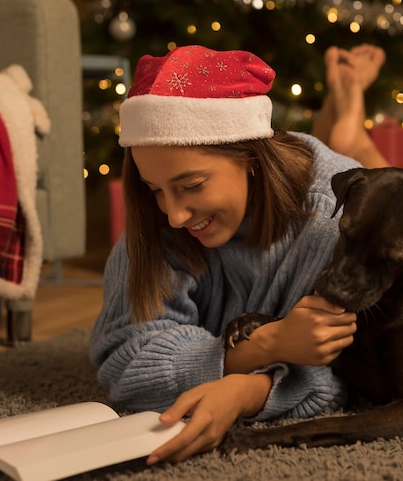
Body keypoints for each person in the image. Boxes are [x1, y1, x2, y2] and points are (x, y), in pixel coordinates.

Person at [89, 44, 384, 465]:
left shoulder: (332, 224)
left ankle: (352, 137)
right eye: (156, 190)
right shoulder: (155, 217)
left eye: (191, 186)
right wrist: (264, 348)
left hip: (361, 201)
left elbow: (350, 375)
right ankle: (345, 133)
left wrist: (242, 390)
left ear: (249, 158)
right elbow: (125, 363)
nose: (173, 215)